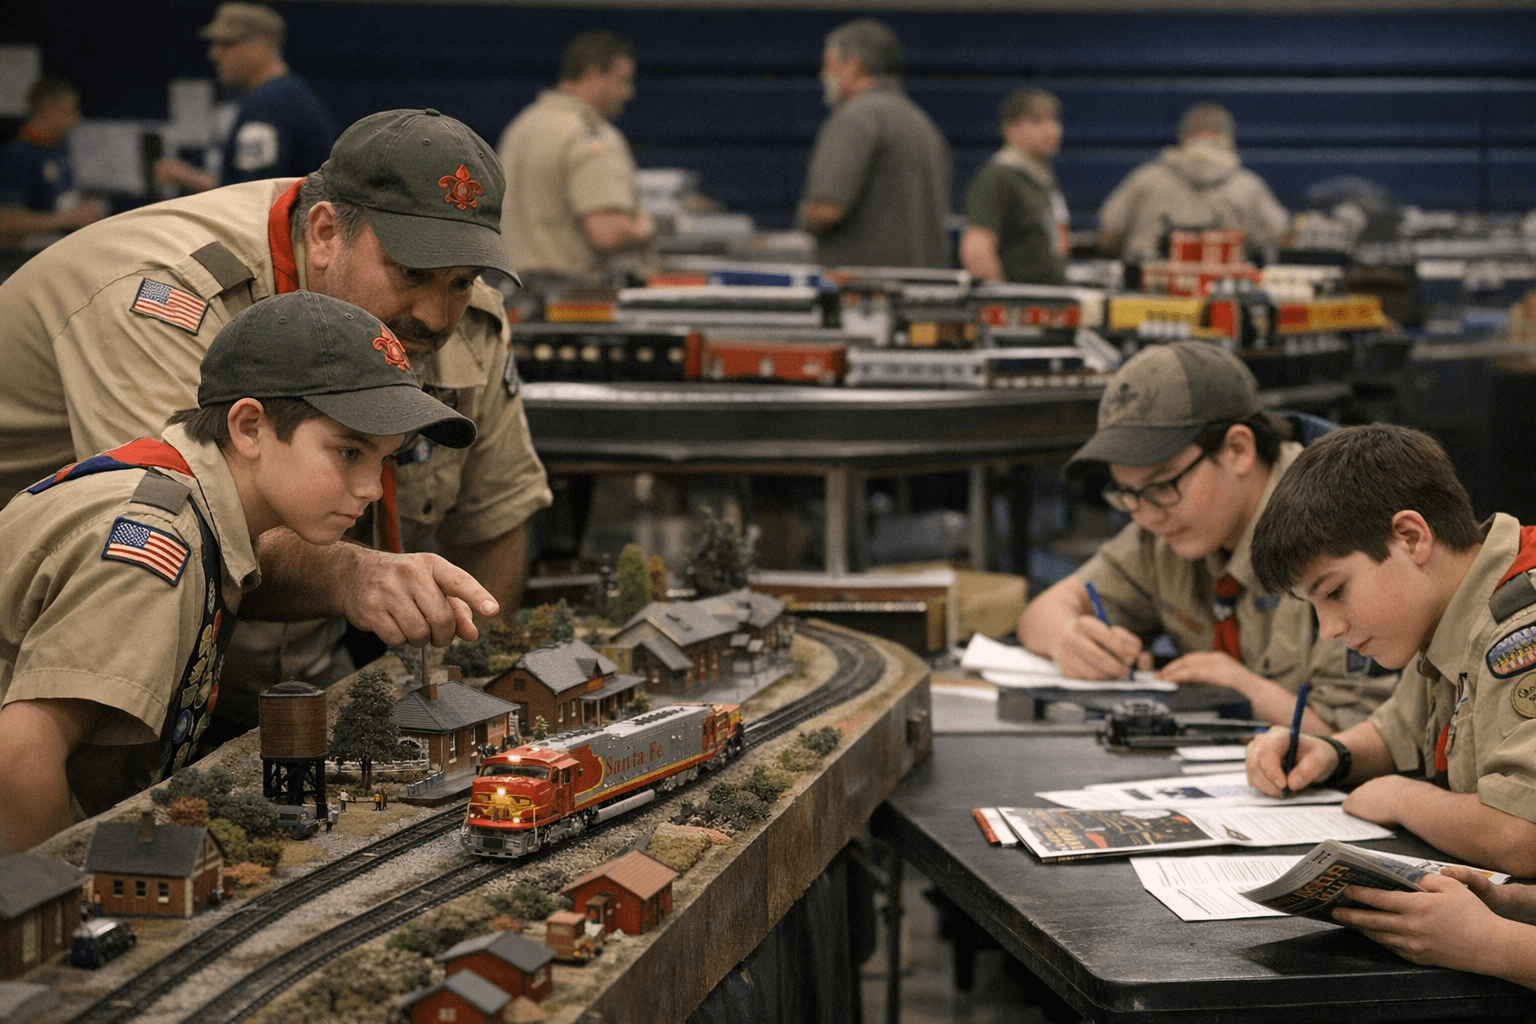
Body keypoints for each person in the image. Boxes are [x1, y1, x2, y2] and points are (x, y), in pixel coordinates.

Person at [0, 107, 553, 728]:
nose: (435, 313)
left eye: (461, 280)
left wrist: (473, 691)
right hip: (63, 665)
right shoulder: (164, 297)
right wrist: (355, 575)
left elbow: (493, 513)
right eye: (413, 273)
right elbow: (193, 531)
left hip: (283, 662)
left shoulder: (462, 309)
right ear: (323, 233)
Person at [0, 291, 476, 854]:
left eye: (384, 459)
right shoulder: (154, 546)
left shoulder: (181, 498)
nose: (372, 488)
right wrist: (49, 915)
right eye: (349, 452)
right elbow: (20, 757)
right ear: (249, 428)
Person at [1017, 341, 1395, 732]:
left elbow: (1364, 746)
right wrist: (1069, 640)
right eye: (1127, 493)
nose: (1144, 515)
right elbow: (1041, 613)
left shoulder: (1342, 535)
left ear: (1237, 450)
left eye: (1161, 485)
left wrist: (1244, 691)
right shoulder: (1169, 529)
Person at [1246, 423, 1536, 878]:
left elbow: (1523, 835)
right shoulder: (1445, 612)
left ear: (1411, 538)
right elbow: (1396, 731)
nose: (1329, 629)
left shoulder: (1521, 628)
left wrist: (1402, 798)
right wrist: (1332, 752)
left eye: (1336, 591)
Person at [496, 29, 655, 291]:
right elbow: (608, 232)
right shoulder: (588, 134)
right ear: (593, 75)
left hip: (510, 294)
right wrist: (650, 225)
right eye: (622, 80)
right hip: (572, 301)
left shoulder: (521, 125)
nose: (628, 92)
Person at [796, 17, 952, 269]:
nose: (824, 75)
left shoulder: (855, 118)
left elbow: (826, 208)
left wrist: (805, 217)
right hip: (922, 288)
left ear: (853, 64)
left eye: (829, 65)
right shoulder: (922, 122)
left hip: (866, 295)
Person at [154, 2, 337, 193]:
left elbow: (257, 196)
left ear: (261, 46)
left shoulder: (268, 105)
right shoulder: (287, 93)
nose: (214, 54)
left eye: (227, 43)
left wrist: (185, 177)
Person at [1096, 101, 1290, 261]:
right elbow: (1278, 236)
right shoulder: (1249, 186)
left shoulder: (1145, 179)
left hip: (1146, 299)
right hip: (1224, 297)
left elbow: (1107, 237)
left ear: (1184, 135)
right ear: (1227, 137)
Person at [959, 87, 1069, 285]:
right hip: (1019, 306)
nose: (1051, 130)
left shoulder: (1041, 177)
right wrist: (999, 300)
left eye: (1054, 120)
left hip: (1049, 302)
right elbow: (977, 250)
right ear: (1010, 129)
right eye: (1037, 121)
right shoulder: (998, 177)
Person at [0, 76, 103, 251]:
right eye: (70, 111)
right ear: (48, 110)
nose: (76, 118)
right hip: (27, 257)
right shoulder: (17, 155)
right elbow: (7, 221)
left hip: (62, 245)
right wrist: (66, 219)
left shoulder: (59, 148)